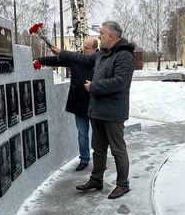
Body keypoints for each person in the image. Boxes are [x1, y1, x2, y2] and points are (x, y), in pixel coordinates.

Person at [50, 21, 135, 199]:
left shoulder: (124, 55)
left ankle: (123, 184)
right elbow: (83, 59)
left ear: (111, 36)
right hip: (98, 111)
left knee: (118, 149)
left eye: (102, 33)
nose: (100, 37)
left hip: (113, 113)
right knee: (98, 148)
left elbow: (120, 82)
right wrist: (62, 53)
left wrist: (94, 86)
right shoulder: (102, 54)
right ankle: (96, 179)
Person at [33, 37, 98, 171]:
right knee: (82, 133)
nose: (83, 49)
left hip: (96, 104)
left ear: (95, 49)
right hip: (79, 103)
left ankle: (99, 159)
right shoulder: (76, 58)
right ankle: (84, 158)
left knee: (98, 135)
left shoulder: (100, 60)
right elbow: (56, 60)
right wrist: (38, 60)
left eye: (87, 48)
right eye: (83, 46)